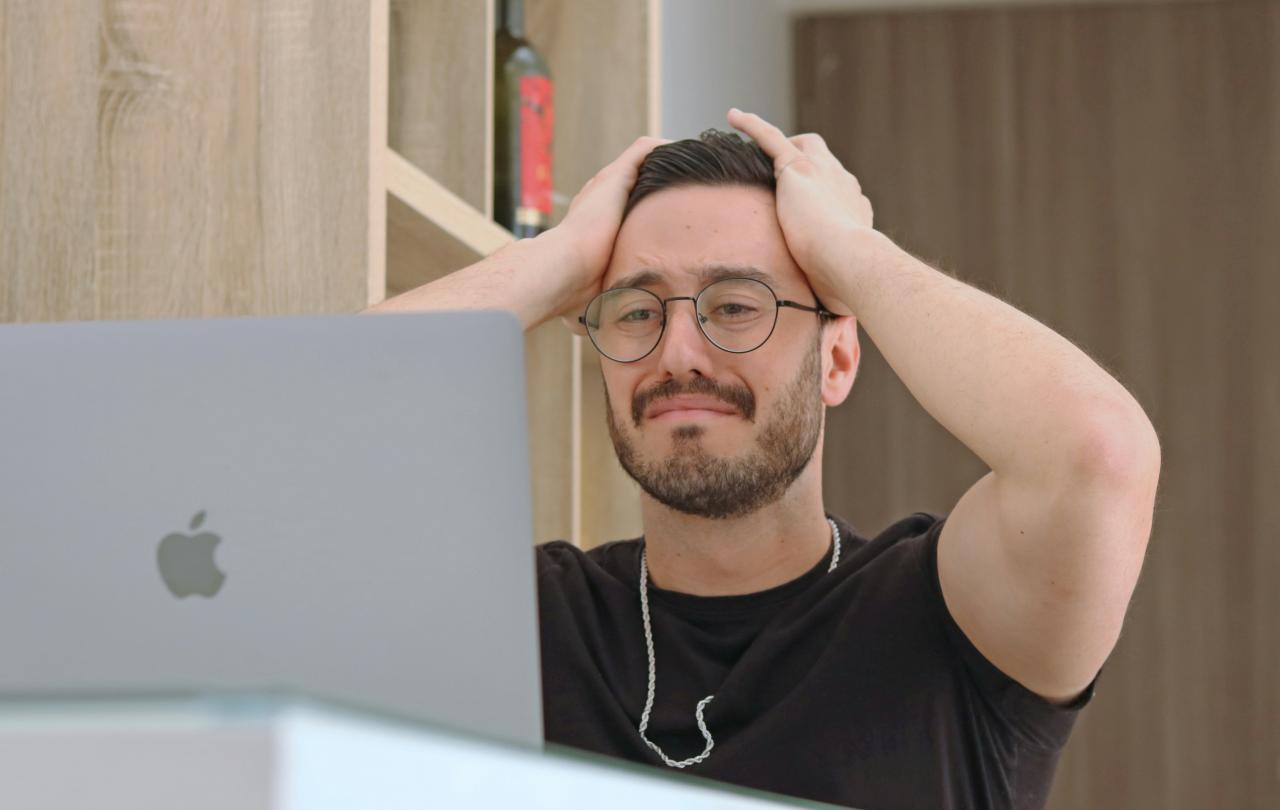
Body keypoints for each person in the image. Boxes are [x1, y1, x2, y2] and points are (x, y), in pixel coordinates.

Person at [364, 109, 1161, 810]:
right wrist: (563, 257)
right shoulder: (522, 624)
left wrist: (853, 251)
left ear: (838, 361)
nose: (679, 352)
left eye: (737, 306)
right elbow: (275, 455)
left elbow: (1097, 451)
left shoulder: (953, 622)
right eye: (639, 311)